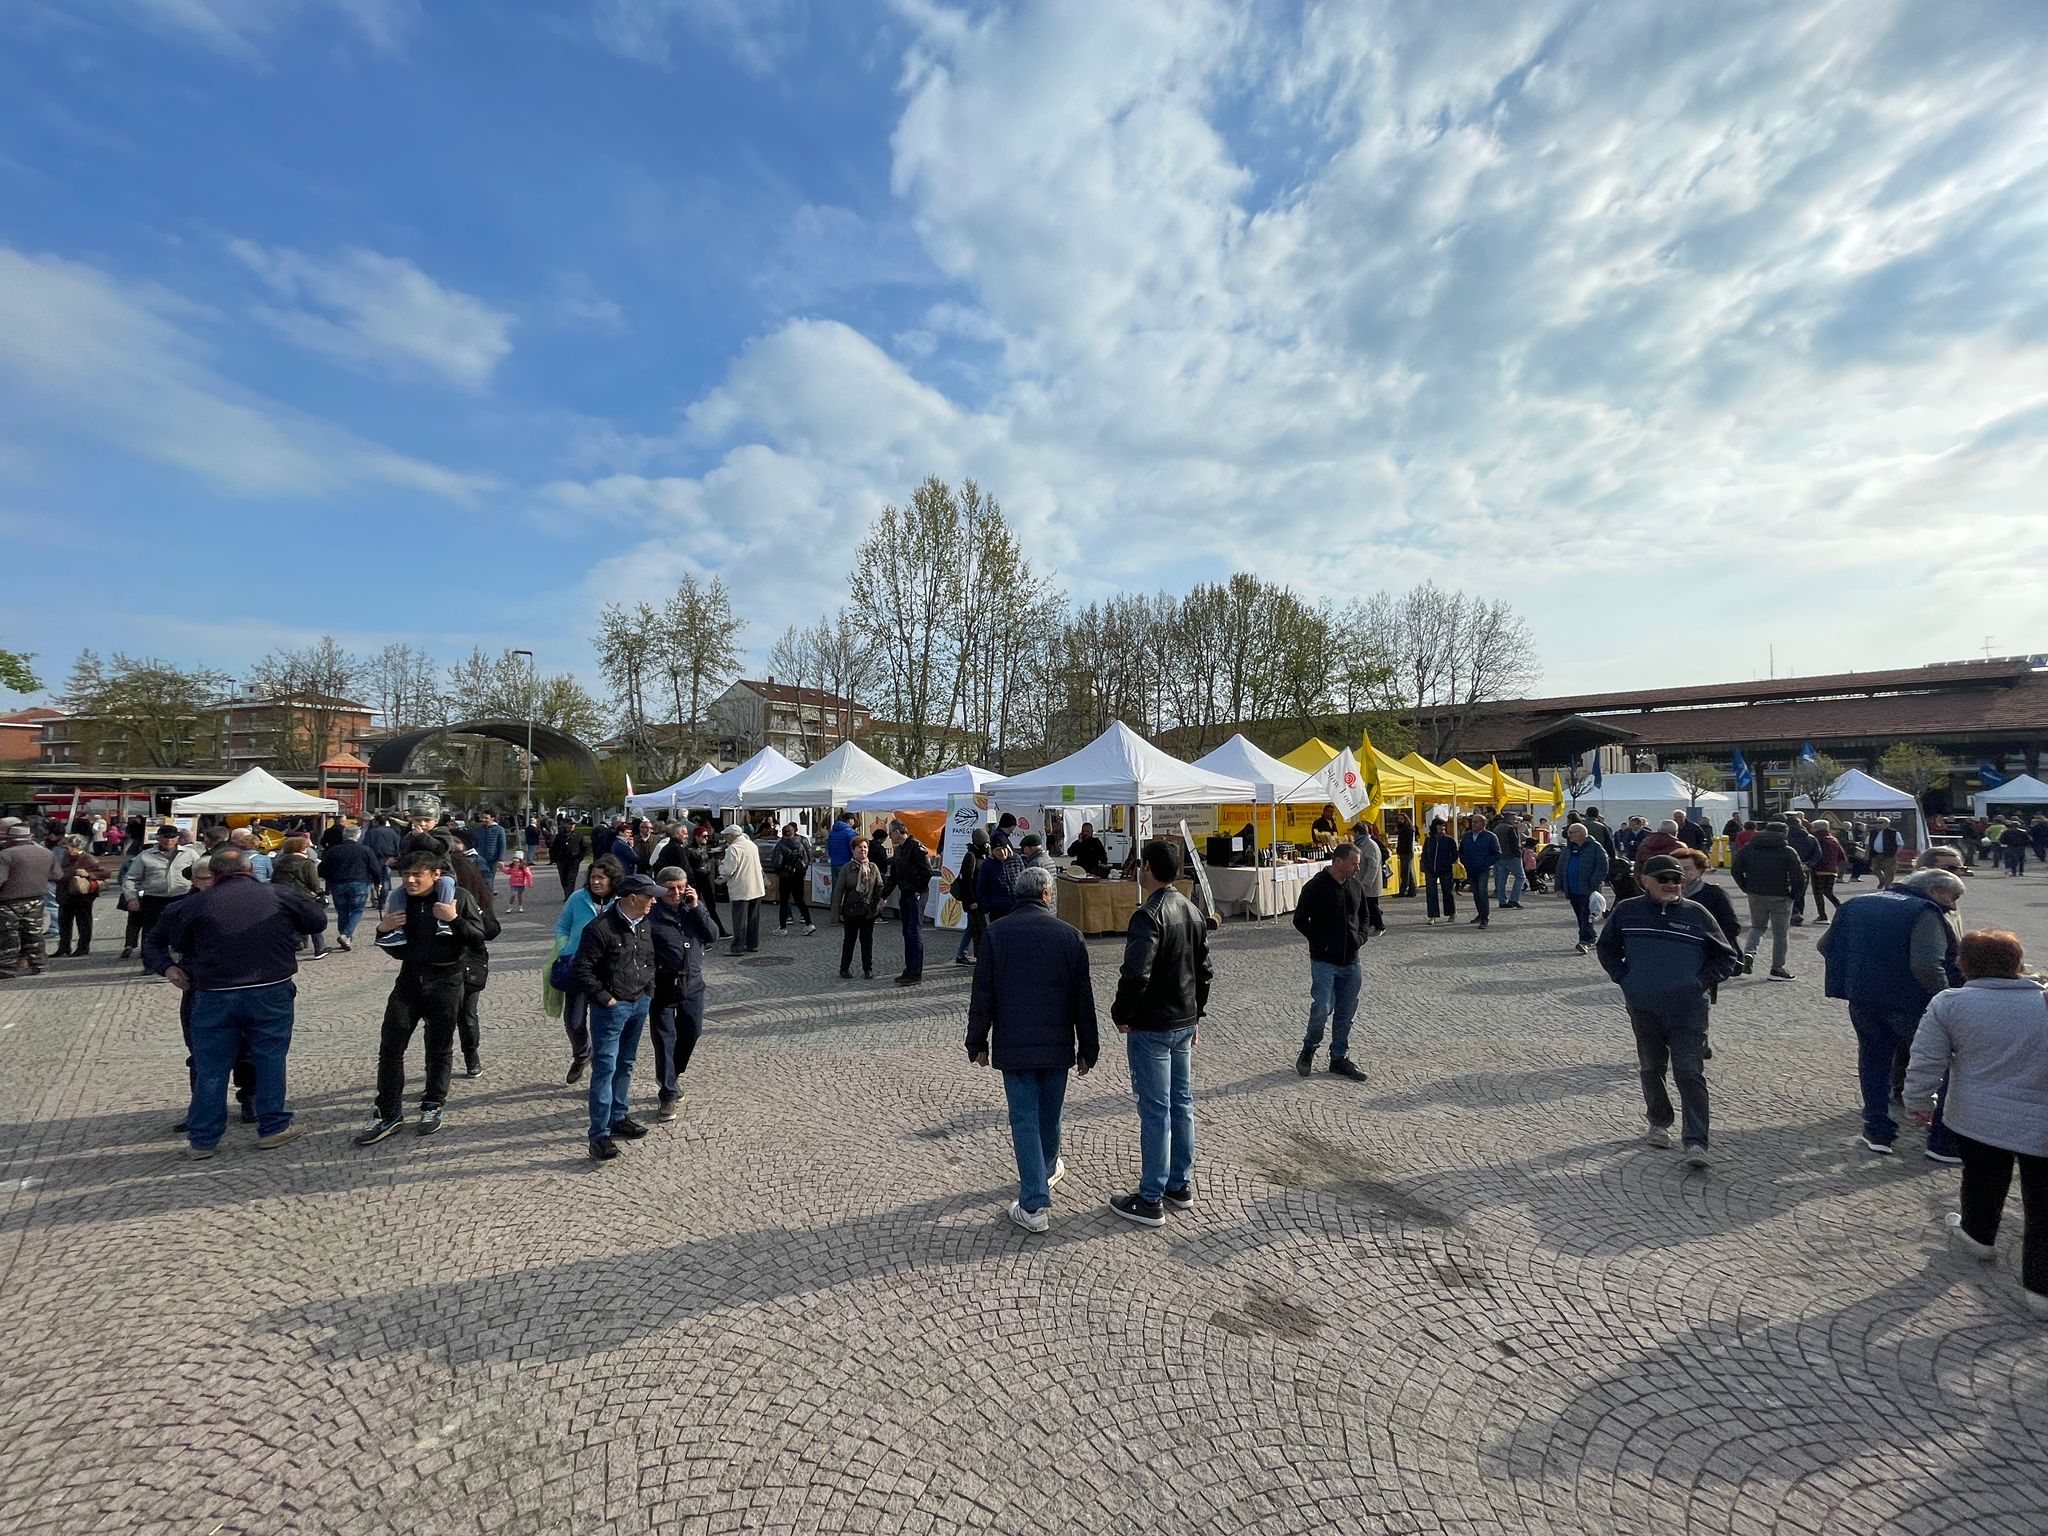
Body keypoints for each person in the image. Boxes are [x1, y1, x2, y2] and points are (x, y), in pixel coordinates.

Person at [1904, 929, 2048, 1319]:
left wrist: (1918, 1102)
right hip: (2042, 1122)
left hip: (1978, 1116)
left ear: (1963, 963)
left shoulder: (1951, 1003)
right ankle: (2041, 1289)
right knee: (2043, 1206)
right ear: (2018, 963)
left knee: (1983, 1178)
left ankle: (1979, 1235)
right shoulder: (2043, 1000)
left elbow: (1926, 1060)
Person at [151, 846, 325, 1158]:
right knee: (269, 1057)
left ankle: (202, 1140)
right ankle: (273, 1126)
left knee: (211, 1066)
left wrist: (168, 967)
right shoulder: (278, 895)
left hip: (214, 994)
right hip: (269, 988)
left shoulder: (192, 905)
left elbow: (164, 942)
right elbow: (317, 921)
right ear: (250, 869)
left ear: (213, 875)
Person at [967, 865, 1099, 1233]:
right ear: (1047, 894)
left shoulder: (996, 934)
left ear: (1018, 895)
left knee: (1025, 1119)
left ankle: (1035, 1202)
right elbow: (1083, 1000)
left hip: (1015, 1045)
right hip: (1057, 1045)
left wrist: (976, 1041)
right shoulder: (1070, 936)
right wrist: (1089, 1047)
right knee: (1049, 1114)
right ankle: (1044, 1173)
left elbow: (983, 995)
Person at [1596, 854, 1741, 1168]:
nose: (1672, 884)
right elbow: (1606, 947)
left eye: (1677, 879)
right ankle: (1659, 1122)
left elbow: (1727, 958)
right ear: (1644, 880)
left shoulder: (1697, 914)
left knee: (1689, 1072)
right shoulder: (1627, 911)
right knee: (1651, 1067)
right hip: (1643, 1006)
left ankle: (1696, 1142)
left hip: (1688, 1009)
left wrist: (1697, 983)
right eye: (1663, 878)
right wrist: (1624, 978)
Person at [1817, 868, 1966, 1159]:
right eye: (1953, 897)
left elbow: (1825, 946)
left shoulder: (1858, 903)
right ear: (1934, 890)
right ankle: (1942, 1138)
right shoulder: (1924, 911)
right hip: (1910, 1002)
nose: (1954, 905)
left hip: (1862, 998)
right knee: (1940, 1063)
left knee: (1873, 1059)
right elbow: (1927, 965)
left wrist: (1860, 968)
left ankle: (1877, 1128)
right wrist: (1946, 999)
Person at [353, 852, 490, 1144]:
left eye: (418, 874)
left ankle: (432, 1104)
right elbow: (400, 950)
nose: (411, 880)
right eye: (406, 875)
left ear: (436, 874)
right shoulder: (402, 902)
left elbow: (479, 937)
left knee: (438, 1047)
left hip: (447, 983)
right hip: (409, 982)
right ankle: (388, 1112)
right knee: (390, 1048)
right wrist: (382, 930)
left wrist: (453, 920)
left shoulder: (459, 898)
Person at [1106, 842, 1210, 1227]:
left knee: (1156, 1110)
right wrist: (1195, 1014)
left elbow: (1136, 972)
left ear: (1147, 868)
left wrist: (1122, 1013)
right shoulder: (1192, 910)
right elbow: (1205, 970)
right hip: (1182, 1021)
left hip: (1154, 1025)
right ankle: (1179, 1183)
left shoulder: (1149, 915)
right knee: (1181, 1104)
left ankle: (1151, 1197)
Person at [572, 872, 662, 1162]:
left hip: (638, 1003)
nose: (653, 901)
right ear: (632, 898)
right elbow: (582, 970)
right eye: (649, 896)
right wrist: (605, 999)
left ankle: (619, 1116)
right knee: (605, 1068)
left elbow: (648, 958)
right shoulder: (599, 929)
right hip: (611, 1008)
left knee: (626, 1062)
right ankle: (599, 1135)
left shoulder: (645, 923)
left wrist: (648, 990)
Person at [1292, 842, 1370, 1082]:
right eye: (1354, 864)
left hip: (1351, 962)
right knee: (1322, 1008)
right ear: (1338, 861)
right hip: (1325, 961)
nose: (1357, 869)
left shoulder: (1355, 886)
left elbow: (1365, 915)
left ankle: (1339, 1057)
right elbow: (1299, 919)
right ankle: (1309, 1048)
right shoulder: (1315, 887)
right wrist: (1320, 941)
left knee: (1346, 1012)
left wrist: (1360, 937)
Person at [649, 865, 718, 1121]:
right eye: (670, 889)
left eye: (680, 887)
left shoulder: (693, 909)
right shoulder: (652, 913)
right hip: (662, 986)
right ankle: (667, 1093)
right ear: (659, 889)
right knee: (665, 1039)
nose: (676, 893)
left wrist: (697, 907)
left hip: (693, 984)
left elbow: (712, 936)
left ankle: (671, 1075)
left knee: (692, 1032)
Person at [549, 857, 621, 1081]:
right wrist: (563, 945)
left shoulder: (620, 901)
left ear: (612, 880)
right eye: (593, 877)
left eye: (601, 878)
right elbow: (562, 924)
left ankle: (602, 1074)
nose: (596, 882)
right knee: (574, 1022)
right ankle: (582, 1055)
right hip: (578, 966)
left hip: (609, 971)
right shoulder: (578, 898)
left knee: (604, 1026)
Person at [117, 824, 198, 966]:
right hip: (154, 899)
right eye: (165, 838)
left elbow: (200, 873)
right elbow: (130, 878)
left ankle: (185, 963)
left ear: (178, 838)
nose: (169, 841)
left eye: (172, 838)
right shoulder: (145, 856)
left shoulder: (189, 854)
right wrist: (131, 897)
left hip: (182, 896)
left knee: (185, 930)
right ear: (158, 838)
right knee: (151, 933)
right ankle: (150, 963)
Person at [1731, 819, 1801, 981]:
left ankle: (1749, 953)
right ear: (1784, 833)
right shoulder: (1787, 850)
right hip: (1780, 895)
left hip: (1756, 894)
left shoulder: (1749, 848)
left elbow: (1735, 869)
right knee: (1780, 934)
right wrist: (1794, 894)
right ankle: (1777, 968)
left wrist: (1745, 887)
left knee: (1758, 927)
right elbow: (1798, 876)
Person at [317, 825, 385, 951]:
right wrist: (377, 882)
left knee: (342, 911)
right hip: (359, 882)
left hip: (338, 884)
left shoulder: (333, 850)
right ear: (358, 836)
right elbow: (375, 868)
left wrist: (330, 878)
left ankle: (346, 936)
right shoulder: (365, 850)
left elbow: (321, 870)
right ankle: (346, 935)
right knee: (357, 910)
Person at [0, 824, 55, 979]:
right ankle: (40, 964)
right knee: (35, 934)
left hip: (8, 901)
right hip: (36, 899)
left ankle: (7, 969)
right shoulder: (46, 853)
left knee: (8, 936)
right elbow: (56, 875)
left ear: (10, 838)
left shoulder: (6, 854)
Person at [886, 820, 933, 985]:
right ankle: (909, 968)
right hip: (904, 895)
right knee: (907, 932)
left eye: (890, 832)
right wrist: (882, 896)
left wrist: (917, 889)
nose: (889, 836)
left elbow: (927, 871)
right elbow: (893, 877)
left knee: (914, 932)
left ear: (898, 831)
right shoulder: (899, 851)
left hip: (915, 895)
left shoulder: (915, 846)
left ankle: (916, 972)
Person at [831, 835, 886, 979]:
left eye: (865, 847)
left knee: (867, 941)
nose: (863, 850)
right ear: (853, 850)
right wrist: (835, 915)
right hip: (851, 910)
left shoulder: (873, 867)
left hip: (868, 911)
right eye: (859, 847)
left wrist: (878, 903)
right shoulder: (847, 868)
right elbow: (838, 891)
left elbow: (880, 887)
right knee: (849, 940)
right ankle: (844, 968)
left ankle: (868, 969)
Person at [1558, 822, 1609, 955]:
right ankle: (1590, 936)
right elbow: (1560, 867)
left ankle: (1585, 940)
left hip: (1588, 889)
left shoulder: (1595, 847)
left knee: (1586, 914)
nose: (1568, 835)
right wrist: (1559, 886)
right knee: (1580, 916)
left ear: (1582, 834)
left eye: (1572, 832)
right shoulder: (1569, 848)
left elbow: (1602, 866)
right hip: (1572, 889)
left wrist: (1594, 882)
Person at [719, 825, 765, 955]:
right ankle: (752, 944)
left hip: (741, 888)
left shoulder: (733, 849)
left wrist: (720, 869)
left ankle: (737, 947)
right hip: (756, 886)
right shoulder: (751, 845)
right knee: (753, 919)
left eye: (726, 836)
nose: (725, 838)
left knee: (739, 919)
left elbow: (728, 870)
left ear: (732, 836)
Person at [53, 835, 100, 958]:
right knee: (64, 922)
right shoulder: (64, 857)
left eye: (68, 846)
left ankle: (83, 947)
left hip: (81, 895)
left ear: (77, 846)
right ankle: (64, 947)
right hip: (65, 893)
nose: (66, 849)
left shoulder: (88, 858)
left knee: (83, 922)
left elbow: (103, 873)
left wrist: (88, 874)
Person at [950, 826, 988, 966]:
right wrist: (972, 900)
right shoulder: (971, 856)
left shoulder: (979, 855)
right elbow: (967, 881)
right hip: (972, 900)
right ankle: (965, 955)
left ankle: (962, 954)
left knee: (971, 927)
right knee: (975, 927)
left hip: (976, 899)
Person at [682, 822, 728, 937]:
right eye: (704, 836)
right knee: (695, 906)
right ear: (696, 836)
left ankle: (718, 930)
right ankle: (699, 932)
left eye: (707, 836)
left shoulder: (704, 848)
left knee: (711, 907)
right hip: (695, 881)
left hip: (706, 880)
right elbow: (688, 867)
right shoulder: (689, 850)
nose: (706, 838)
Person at [771, 822, 816, 936]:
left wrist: (779, 871)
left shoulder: (781, 846)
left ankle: (783, 927)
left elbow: (777, 863)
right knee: (800, 900)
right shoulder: (800, 844)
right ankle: (809, 923)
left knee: (784, 901)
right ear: (793, 832)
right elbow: (806, 860)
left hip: (785, 876)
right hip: (798, 876)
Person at [1457, 813, 1500, 929]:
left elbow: (1497, 854)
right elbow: (1461, 851)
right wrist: (1465, 861)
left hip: (1483, 869)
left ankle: (1484, 918)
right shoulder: (1467, 836)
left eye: (1476, 822)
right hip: (1471, 868)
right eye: (1472, 822)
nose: (1473, 824)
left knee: (1482, 891)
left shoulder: (1490, 837)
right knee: (1476, 892)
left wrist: (1486, 863)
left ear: (1483, 823)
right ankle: (1480, 914)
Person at [974, 833, 1019, 929]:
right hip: (997, 911)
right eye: (998, 850)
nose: (1002, 852)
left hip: (1017, 908)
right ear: (992, 851)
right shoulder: (987, 865)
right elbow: (981, 888)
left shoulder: (1016, 859)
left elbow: (1024, 881)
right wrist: (987, 908)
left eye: (1004, 849)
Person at [1421, 817, 1459, 926]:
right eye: (1439, 825)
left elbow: (1454, 855)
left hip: (1445, 870)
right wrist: (1427, 865)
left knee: (1447, 892)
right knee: (1431, 893)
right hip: (1431, 870)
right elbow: (1424, 854)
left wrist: (1447, 863)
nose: (1442, 828)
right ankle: (1432, 916)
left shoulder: (1449, 840)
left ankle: (1451, 913)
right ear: (1434, 827)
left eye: (1443, 826)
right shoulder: (1429, 840)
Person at [1807, 818, 1846, 922]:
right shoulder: (1833, 839)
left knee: (1818, 893)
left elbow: (1813, 854)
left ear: (1816, 828)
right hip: (1832, 869)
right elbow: (1842, 856)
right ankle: (1841, 909)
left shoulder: (1816, 839)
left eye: (1813, 827)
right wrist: (1834, 864)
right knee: (1828, 892)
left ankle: (1822, 916)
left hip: (1819, 869)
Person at [1489, 813, 1525, 911]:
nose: (1516, 821)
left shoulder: (1497, 828)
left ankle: (1502, 901)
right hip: (1511, 857)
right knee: (1521, 877)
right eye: (1515, 819)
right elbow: (1514, 844)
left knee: (1501, 880)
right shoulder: (1510, 828)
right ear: (1511, 819)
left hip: (1500, 857)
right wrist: (1519, 854)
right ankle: (1514, 899)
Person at [470, 810, 507, 890]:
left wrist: (500, 859)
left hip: (493, 860)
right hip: (480, 859)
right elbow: (474, 844)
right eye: (483, 818)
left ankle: (489, 895)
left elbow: (502, 846)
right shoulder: (478, 830)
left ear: (492, 818)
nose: (484, 820)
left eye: (486, 818)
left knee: (489, 878)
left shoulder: (499, 830)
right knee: (480, 878)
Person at [549, 820, 585, 902]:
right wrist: (554, 859)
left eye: (573, 824)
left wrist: (580, 857)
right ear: (566, 825)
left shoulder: (578, 835)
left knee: (571, 878)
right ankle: (567, 893)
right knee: (564, 878)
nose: (572, 826)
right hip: (562, 860)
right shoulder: (560, 836)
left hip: (574, 860)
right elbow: (554, 848)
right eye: (570, 824)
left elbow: (583, 847)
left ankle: (569, 896)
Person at [1870, 817, 1904, 888]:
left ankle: (1887, 886)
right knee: (1874, 869)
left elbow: (1900, 844)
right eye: (1877, 823)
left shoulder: (1894, 833)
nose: (1878, 824)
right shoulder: (1873, 832)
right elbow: (1868, 842)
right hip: (1876, 854)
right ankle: (1882, 880)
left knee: (1889, 871)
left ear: (1887, 824)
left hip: (1889, 855)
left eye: (1880, 823)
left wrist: (1895, 853)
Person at [826, 811, 857, 876]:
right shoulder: (850, 832)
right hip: (846, 863)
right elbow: (854, 847)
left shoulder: (832, 832)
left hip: (834, 863)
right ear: (850, 820)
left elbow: (829, 847)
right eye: (854, 820)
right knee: (845, 884)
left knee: (836, 885)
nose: (854, 823)